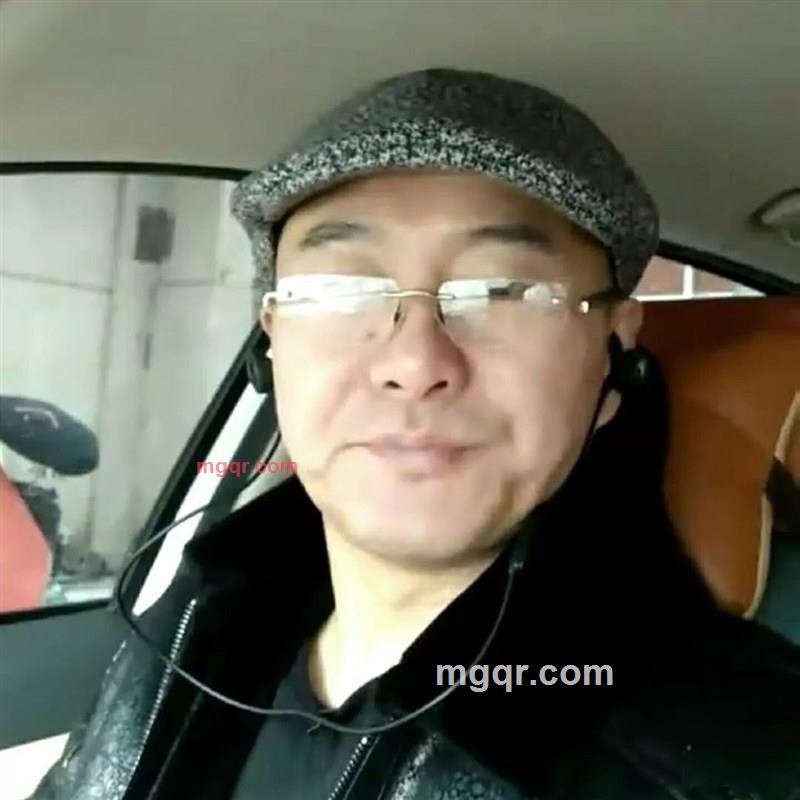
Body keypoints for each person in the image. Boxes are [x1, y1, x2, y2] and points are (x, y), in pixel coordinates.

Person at [33, 69, 799, 800]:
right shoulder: (187, 630)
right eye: (340, 290)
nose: (414, 362)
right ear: (270, 348)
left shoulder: (745, 756)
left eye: (504, 290)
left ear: (614, 356)